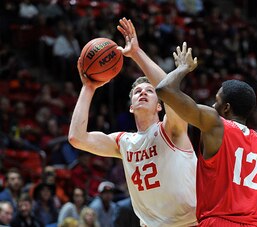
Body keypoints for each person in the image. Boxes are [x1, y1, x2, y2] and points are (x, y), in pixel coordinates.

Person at [68, 17, 197, 226]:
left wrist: (136, 53)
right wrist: (88, 88)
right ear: (131, 106)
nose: (142, 93)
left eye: (149, 91)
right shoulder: (124, 142)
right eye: (137, 91)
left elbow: (170, 92)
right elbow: (77, 138)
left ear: (159, 105)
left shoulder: (172, 129)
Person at [156, 42, 257, 226]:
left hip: (219, 221)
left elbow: (164, 90)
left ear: (227, 108)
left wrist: (183, 68)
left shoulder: (216, 123)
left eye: (216, 101)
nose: (213, 106)